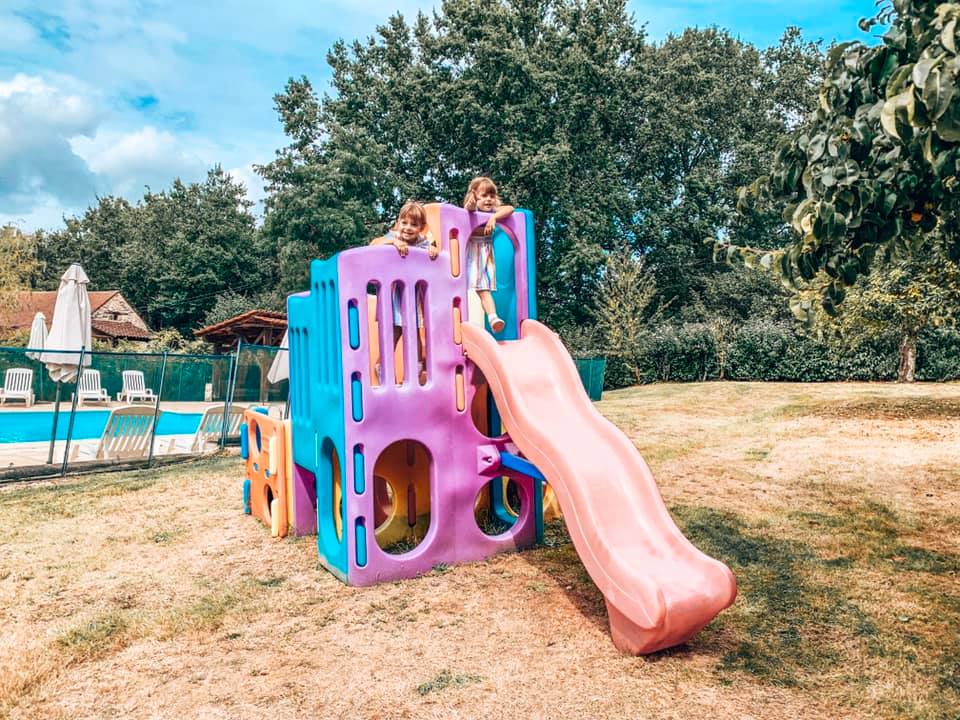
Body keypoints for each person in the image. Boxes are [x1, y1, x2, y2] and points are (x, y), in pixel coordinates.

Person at [369, 201, 438, 383]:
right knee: (392, 334)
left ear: (421, 228)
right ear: (398, 222)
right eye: (404, 222)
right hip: (393, 294)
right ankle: (382, 370)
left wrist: (433, 248)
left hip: (413, 296)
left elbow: (434, 248)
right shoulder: (394, 236)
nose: (408, 228)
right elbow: (373, 244)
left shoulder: (423, 242)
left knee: (414, 335)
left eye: (414, 224)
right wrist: (393, 242)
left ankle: (414, 374)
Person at [463, 176, 513, 333]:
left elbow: (510, 208)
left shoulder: (492, 212)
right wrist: (472, 199)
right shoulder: (472, 211)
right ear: (475, 196)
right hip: (469, 253)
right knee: (465, 288)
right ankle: (465, 322)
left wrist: (494, 217)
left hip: (483, 254)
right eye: (484, 196)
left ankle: (493, 317)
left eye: (492, 196)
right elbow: (469, 207)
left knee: (483, 289)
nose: (489, 199)